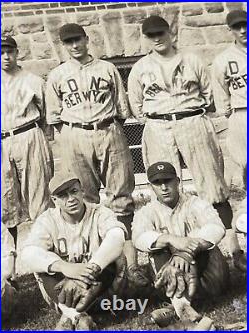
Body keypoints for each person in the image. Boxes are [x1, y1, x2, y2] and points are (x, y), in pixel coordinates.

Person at [128, 15, 244, 271]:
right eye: (151, 35)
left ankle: (234, 251)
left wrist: (187, 112)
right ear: (146, 38)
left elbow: (208, 94)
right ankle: (170, 254)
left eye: (161, 33)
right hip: (158, 125)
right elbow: (136, 106)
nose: (157, 38)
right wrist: (160, 116)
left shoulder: (192, 60)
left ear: (171, 33)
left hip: (192, 120)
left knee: (213, 188)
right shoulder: (139, 68)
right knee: (163, 187)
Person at [45, 23, 141, 280]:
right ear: (63, 46)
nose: (75, 45)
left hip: (108, 129)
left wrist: (108, 128)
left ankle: (131, 264)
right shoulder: (57, 75)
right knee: (86, 200)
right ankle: (101, 264)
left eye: (78, 40)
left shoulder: (108, 68)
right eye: (69, 42)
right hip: (74, 133)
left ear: (87, 40)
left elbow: (122, 109)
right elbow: (54, 117)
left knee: (121, 196)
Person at [22, 172, 128, 330]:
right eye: (63, 195)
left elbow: (117, 236)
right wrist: (64, 267)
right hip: (63, 294)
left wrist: (86, 272)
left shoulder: (100, 212)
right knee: (43, 266)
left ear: (82, 191)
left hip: (100, 290)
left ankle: (72, 316)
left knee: (115, 257)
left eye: (74, 191)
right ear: (54, 200)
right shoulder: (48, 219)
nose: (71, 199)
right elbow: (28, 253)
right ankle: (77, 315)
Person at [132, 162, 229, 328]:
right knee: (158, 249)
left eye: (168, 181)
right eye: (157, 183)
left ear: (178, 181)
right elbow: (138, 238)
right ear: (150, 187)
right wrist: (170, 239)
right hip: (171, 279)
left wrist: (186, 253)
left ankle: (175, 307)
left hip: (208, 279)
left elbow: (217, 227)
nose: (164, 187)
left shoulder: (195, 203)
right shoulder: (147, 212)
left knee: (207, 245)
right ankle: (183, 307)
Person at [1, 36, 53, 250]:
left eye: (9, 51)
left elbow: (46, 116)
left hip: (29, 134)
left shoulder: (33, 80)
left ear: (17, 52)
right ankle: (9, 267)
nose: (5, 56)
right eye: (1, 52)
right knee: (5, 202)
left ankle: (45, 257)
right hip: (2, 141)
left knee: (39, 196)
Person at [212, 10, 247, 189]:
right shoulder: (223, 60)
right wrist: (228, 113)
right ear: (230, 30)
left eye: (245, 25)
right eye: (237, 27)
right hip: (242, 112)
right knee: (245, 163)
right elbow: (220, 92)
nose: (242, 30)